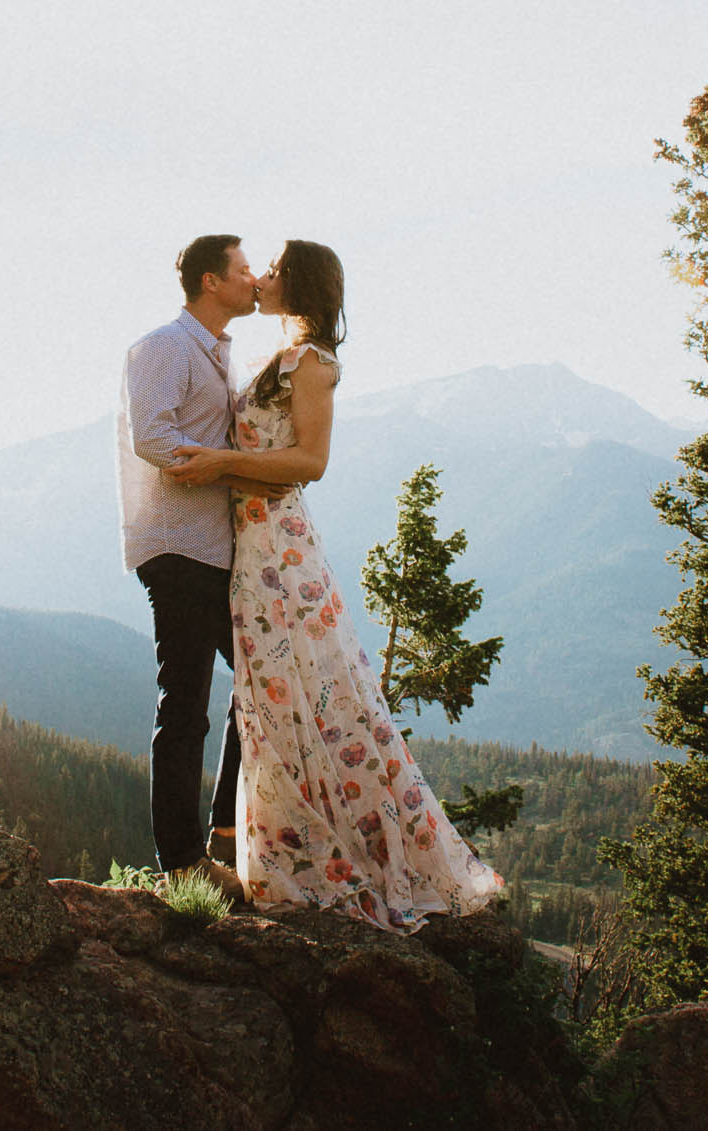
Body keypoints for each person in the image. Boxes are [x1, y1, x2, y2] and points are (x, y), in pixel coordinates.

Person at [163, 240, 504, 931]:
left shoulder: (313, 362)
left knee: (290, 689)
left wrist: (221, 462)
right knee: (266, 692)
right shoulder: (279, 356)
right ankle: (268, 842)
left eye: (275, 268)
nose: (261, 275)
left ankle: (326, 851)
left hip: (279, 551)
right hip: (250, 543)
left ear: (301, 284)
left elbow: (309, 461)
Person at [118, 233, 256, 895]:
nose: (252, 278)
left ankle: (224, 833)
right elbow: (151, 432)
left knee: (259, 680)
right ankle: (182, 864)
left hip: (214, 546)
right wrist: (222, 465)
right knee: (186, 702)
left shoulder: (216, 351)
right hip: (176, 545)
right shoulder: (164, 345)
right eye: (242, 268)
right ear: (210, 280)